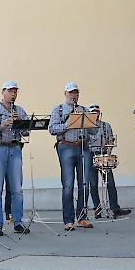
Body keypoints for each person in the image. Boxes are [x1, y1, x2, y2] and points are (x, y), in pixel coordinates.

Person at [0, 80, 29, 236]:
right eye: (10, 91)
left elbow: (27, 132)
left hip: (15, 148)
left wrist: (19, 124)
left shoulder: (20, 110)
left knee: (17, 189)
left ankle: (18, 222)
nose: (13, 94)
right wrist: (2, 125)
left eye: (15, 91)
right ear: (3, 92)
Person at [49, 82, 97, 230]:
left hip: (83, 146)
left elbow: (94, 132)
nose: (74, 95)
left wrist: (91, 121)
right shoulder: (58, 109)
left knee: (84, 183)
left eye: (76, 93)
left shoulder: (84, 109)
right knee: (68, 184)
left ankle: (82, 217)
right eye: (71, 93)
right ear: (65, 94)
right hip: (66, 146)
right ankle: (68, 220)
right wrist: (68, 124)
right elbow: (52, 129)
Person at [86, 103, 131, 218]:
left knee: (110, 183)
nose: (95, 114)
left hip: (103, 155)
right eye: (92, 112)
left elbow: (111, 140)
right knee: (93, 184)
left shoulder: (106, 126)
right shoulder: (85, 127)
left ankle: (115, 207)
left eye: (97, 112)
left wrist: (108, 150)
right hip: (90, 155)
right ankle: (97, 208)